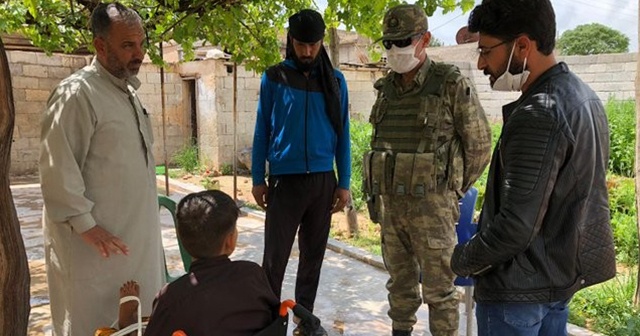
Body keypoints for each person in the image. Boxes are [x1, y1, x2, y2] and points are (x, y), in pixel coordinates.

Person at [450, 0, 617, 335]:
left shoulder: (539, 112)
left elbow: (515, 226)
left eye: (486, 51)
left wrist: (462, 258)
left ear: (523, 45)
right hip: (555, 283)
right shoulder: (584, 97)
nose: (482, 64)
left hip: (517, 294)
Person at [364, 4, 492, 336]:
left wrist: (454, 189)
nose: (395, 50)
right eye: (389, 43)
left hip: (433, 211)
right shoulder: (386, 90)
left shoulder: (449, 83)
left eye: (403, 41)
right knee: (400, 289)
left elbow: (479, 145)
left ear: (425, 39)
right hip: (392, 211)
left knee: (440, 293)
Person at [39, 3, 165, 335]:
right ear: (100, 45)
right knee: (89, 322)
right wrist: (86, 225)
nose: (138, 53)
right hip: (92, 251)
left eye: (141, 44)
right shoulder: (76, 94)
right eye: (127, 45)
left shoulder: (128, 93)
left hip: (136, 241)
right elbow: (58, 167)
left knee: (137, 323)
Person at [251, 8, 351, 336]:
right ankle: (268, 321)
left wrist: (345, 182)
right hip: (285, 181)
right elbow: (262, 129)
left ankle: (303, 321)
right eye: (300, 44)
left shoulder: (336, 82)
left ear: (321, 42)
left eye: (313, 45)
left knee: (313, 258)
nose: (307, 52)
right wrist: (257, 178)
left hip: (323, 181)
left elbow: (343, 133)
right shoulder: (274, 77)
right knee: (274, 258)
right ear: (290, 41)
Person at [143, 190, 280, 335]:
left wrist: (127, 318)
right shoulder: (252, 275)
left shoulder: (171, 299)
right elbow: (274, 319)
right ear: (230, 241)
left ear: (181, 239)